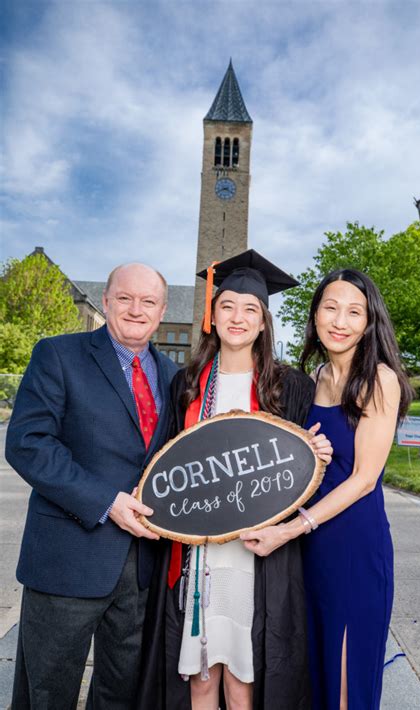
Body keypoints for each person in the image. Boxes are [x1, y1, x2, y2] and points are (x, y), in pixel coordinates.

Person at [137, 249, 333, 710]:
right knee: (200, 673)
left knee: (244, 675)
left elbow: (302, 467)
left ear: (264, 322)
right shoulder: (186, 382)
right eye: (227, 306)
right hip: (196, 553)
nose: (238, 318)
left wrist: (316, 454)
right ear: (212, 315)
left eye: (251, 310)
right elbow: (168, 466)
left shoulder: (290, 387)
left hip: (257, 557)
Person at [6, 263, 178, 709]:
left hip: (142, 567)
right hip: (68, 557)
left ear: (162, 312)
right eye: (125, 298)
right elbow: (28, 443)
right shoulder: (58, 355)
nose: (136, 310)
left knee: (121, 693)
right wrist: (105, 502)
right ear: (106, 302)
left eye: (148, 302)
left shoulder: (175, 376)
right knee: (47, 691)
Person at [241, 268, 413, 710]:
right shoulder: (311, 378)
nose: (340, 320)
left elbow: (364, 478)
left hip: (353, 543)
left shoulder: (378, 378)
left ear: (369, 321)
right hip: (309, 550)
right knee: (312, 669)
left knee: (345, 678)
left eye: (354, 311)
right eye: (331, 308)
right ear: (315, 314)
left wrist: (291, 529)